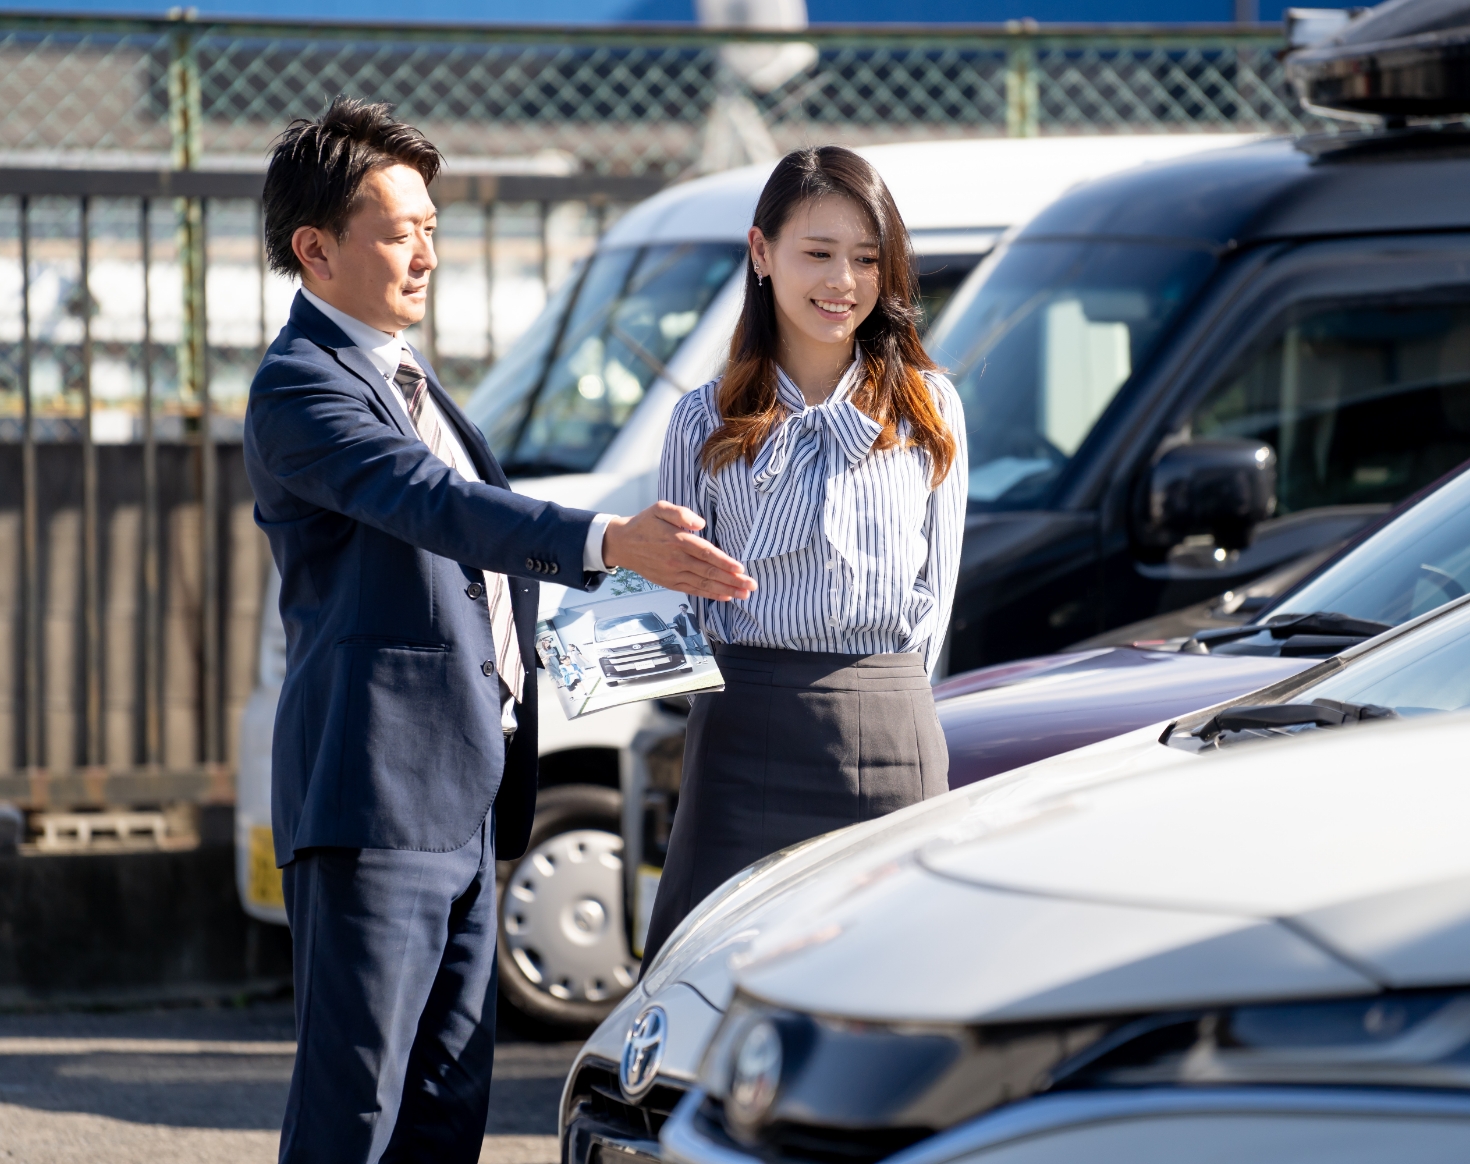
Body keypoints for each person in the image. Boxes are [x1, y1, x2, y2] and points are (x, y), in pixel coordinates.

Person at [243, 98, 753, 1164]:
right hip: (377, 801)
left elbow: (473, 567)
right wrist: (612, 542)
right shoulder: (302, 387)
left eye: (432, 227)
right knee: (357, 1113)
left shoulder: (408, 380)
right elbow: (435, 505)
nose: (425, 254)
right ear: (315, 249)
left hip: (466, 791)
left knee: (444, 1107)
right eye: (399, 232)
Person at [641, 145, 967, 966]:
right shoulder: (700, 421)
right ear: (762, 253)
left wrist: (887, 693)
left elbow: (939, 591)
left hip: (891, 723)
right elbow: (676, 608)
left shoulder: (932, 409)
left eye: (866, 259)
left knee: (889, 975)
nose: (843, 282)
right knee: (711, 971)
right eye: (818, 254)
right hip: (744, 720)